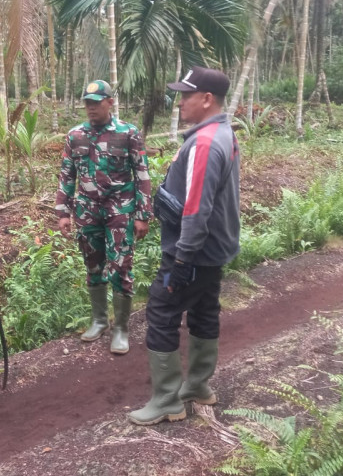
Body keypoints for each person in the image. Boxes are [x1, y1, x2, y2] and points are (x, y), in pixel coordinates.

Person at [128, 66, 240, 426]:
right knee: (204, 312)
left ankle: (166, 401)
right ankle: (197, 386)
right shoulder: (222, 133)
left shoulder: (206, 142)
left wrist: (181, 259)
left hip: (193, 252)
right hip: (212, 251)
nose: (179, 103)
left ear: (206, 99)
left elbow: (197, 207)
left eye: (185, 95)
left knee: (161, 314)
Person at [56, 80, 152, 355]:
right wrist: (62, 211)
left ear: (110, 102)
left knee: (121, 265)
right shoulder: (75, 136)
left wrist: (143, 214)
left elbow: (141, 174)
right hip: (87, 210)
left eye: (96, 102)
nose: (91, 108)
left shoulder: (128, 133)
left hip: (119, 210)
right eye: (87, 102)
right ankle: (99, 320)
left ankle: (120, 327)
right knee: (93, 264)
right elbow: (67, 175)